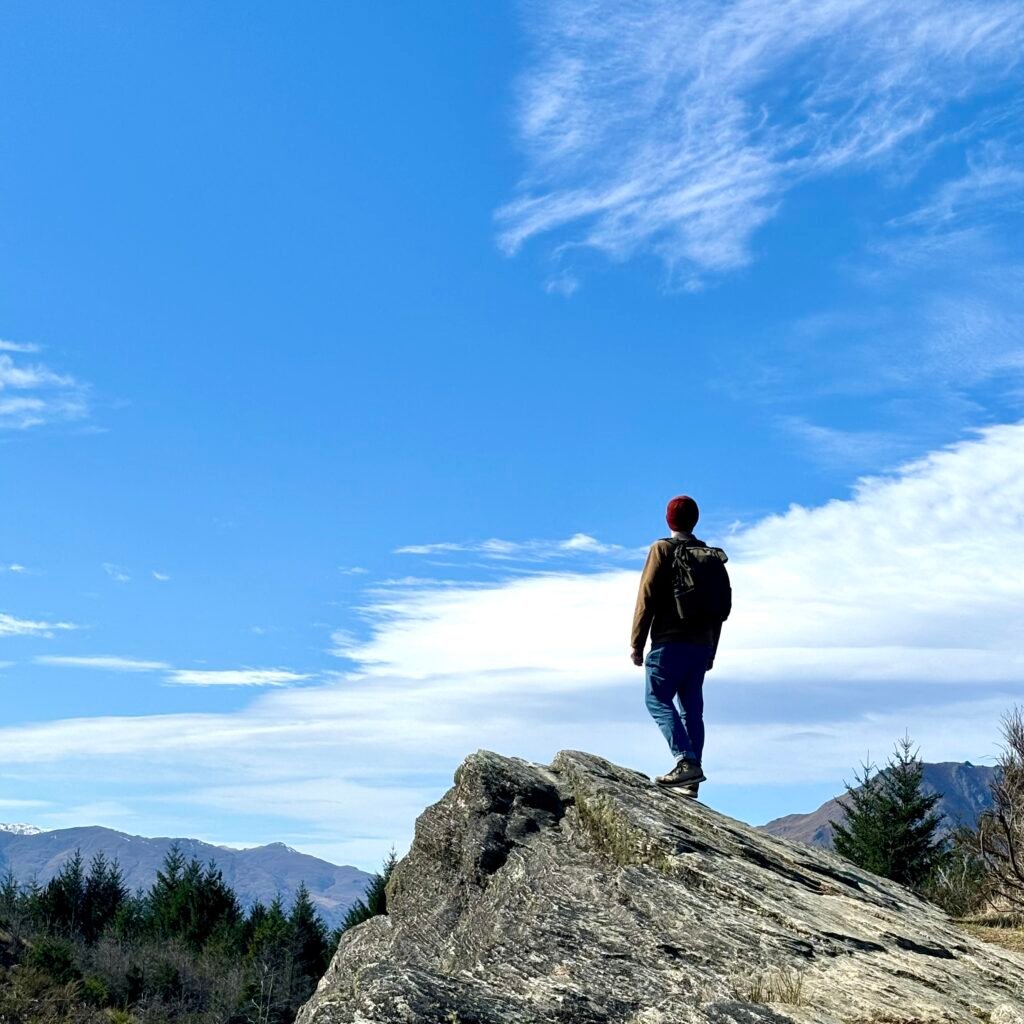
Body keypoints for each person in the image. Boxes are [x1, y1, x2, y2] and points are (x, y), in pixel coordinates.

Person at [631, 495, 725, 797]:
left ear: (668, 520)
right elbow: (719, 610)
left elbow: (646, 597)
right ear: (694, 520)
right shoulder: (709, 556)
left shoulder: (662, 549)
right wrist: (711, 649)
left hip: (668, 643)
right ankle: (692, 780)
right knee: (692, 711)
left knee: (656, 699)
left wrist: (636, 642)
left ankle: (686, 763)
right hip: (701, 646)